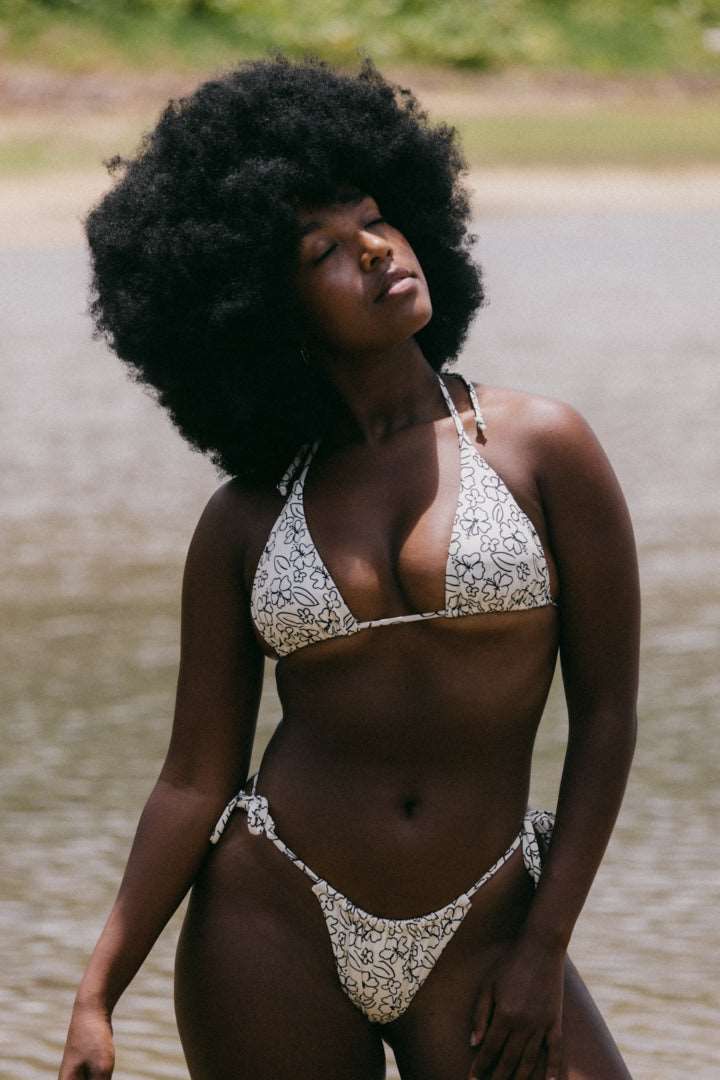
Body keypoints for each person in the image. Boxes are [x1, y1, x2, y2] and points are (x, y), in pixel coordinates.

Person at [59, 56, 639, 1080]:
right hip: (272, 914)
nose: (374, 250)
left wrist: (544, 946)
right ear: (264, 313)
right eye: (325, 249)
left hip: (489, 919)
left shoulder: (543, 448)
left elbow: (606, 718)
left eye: (376, 217)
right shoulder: (246, 519)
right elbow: (196, 776)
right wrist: (99, 991)